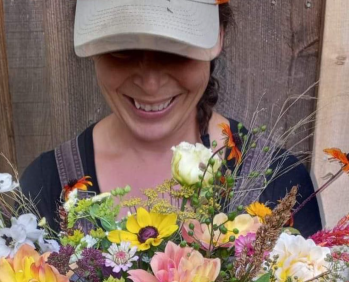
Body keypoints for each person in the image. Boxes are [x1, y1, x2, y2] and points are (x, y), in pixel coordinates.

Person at [21, 0, 321, 237]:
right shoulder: (45, 186)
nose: (150, 83)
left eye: (176, 49)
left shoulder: (279, 183)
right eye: (123, 48)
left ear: (218, 35)